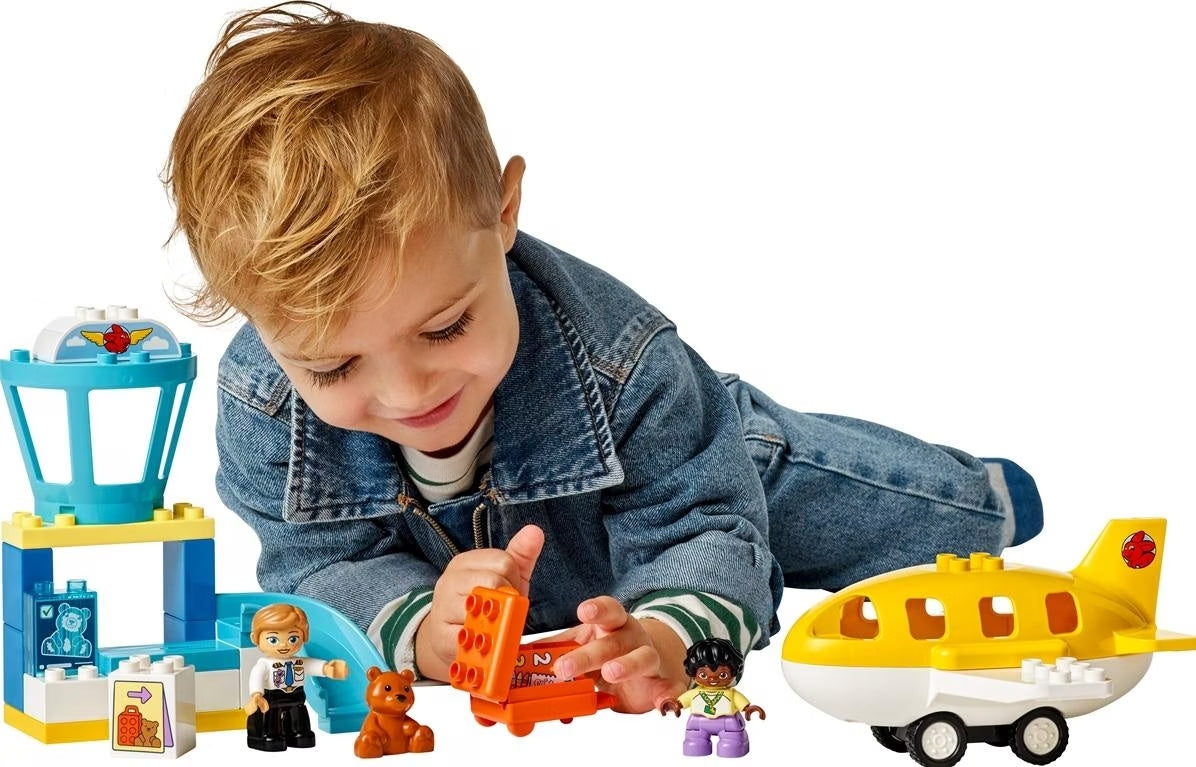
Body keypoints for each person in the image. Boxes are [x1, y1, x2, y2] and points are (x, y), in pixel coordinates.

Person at [167, 3, 1042, 715]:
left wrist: (664, 638)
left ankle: (986, 498)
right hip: (553, 569)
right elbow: (315, 566)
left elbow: (704, 529)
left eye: (444, 328)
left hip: (696, 463)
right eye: (333, 369)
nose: (406, 391)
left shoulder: (626, 366)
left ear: (503, 212)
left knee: (879, 523)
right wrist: (422, 626)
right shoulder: (262, 408)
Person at [244, 603, 349, 751]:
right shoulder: (264, 664)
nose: (284, 645)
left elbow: (312, 665)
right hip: (272, 696)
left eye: (293, 638)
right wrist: (257, 694)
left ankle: (299, 733)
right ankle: (270, 735)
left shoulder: (299, 662)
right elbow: (256, 677)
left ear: (304, 636)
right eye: (273, 640)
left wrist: (327, 668)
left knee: (298, 713)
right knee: (271, 715)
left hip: (296, 695)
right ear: (255, 638)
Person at [659, 638, 765, 758]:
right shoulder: (694, 693)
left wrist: (748, 708)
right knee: (695, 742)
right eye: (703, 674)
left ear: (733, 672)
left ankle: (733, 746)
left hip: (728, 723)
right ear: (693, 673)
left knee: (732, 744)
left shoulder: (731, 694)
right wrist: (675, 704)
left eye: (722, 674)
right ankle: (697, 745)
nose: (712, 679)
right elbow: (681, 702)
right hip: (698, 723)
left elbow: (742, 704)